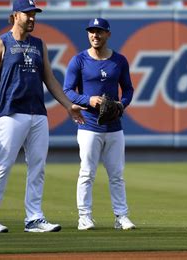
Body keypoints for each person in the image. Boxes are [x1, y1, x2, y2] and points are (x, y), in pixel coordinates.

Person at [0, 0, 86, 234]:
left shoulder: (39, 44)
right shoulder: (0, 43)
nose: (32, 17)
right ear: (15, 15)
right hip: (11, 112)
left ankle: (34, 218)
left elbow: (50, 79)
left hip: (38, 113)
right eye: (28, 13)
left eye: (34, 13)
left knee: (37, 166)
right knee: (4, 164)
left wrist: (69, 105)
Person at [63, 17, 136, 230]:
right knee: (87, 173)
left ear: (108, 34)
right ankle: (84, 217)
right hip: (89, 125)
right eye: (92, 31)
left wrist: (122, 105)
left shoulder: (119, 61)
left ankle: (121, 216)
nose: (95, 35)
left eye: (100, 31)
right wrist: (89, 100)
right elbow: (67, 90)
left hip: (114, 126)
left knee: (117, 175)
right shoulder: (79, 60)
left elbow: (129, 89)